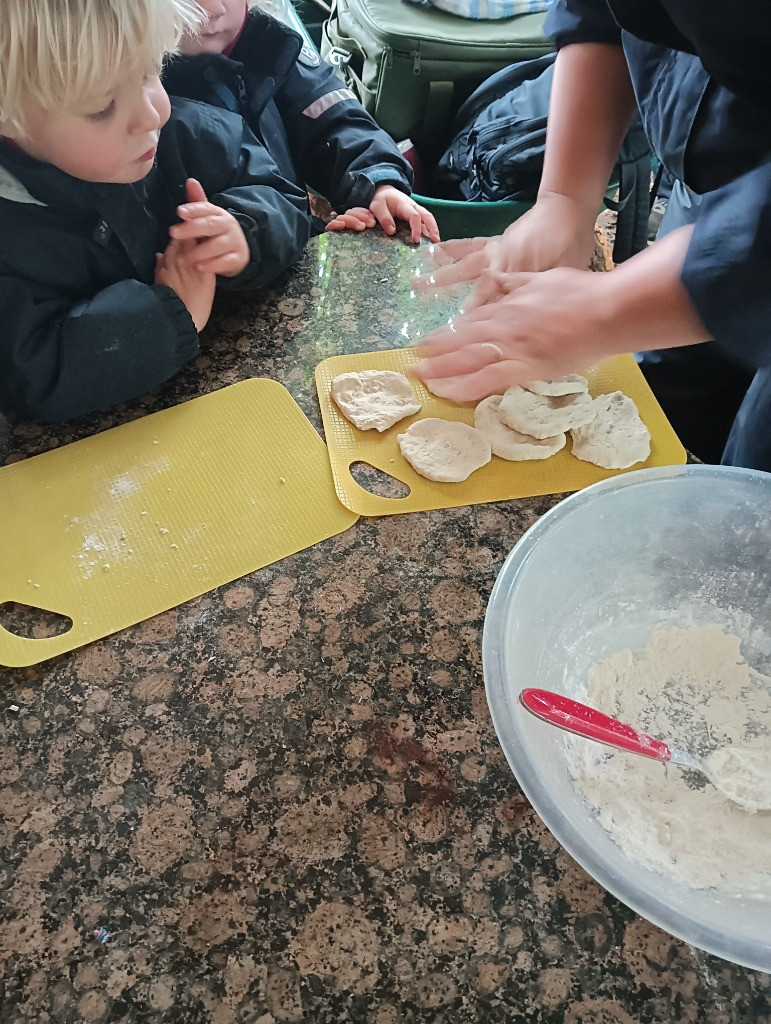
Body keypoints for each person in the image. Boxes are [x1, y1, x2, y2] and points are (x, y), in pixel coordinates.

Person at [415, 0, 771, 470]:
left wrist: (607, 310)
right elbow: (604, 12)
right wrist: (565, 200)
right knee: (667, 406)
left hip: (754, 232)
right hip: (707, 195)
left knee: (750, 483)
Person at [0, 0, 315, 422]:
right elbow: (30, 370)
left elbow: (278, 193)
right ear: (10, 120)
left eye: (150, 72)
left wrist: (243, 230)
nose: (153, 112)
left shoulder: (183, 133)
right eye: (101, 107)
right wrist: (168, 313)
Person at [162, 0, 439, 245]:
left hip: (286, 239)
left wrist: (377, 184)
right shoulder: (143, 104)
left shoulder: (268, 46)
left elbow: (337, 121)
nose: (214, 8)